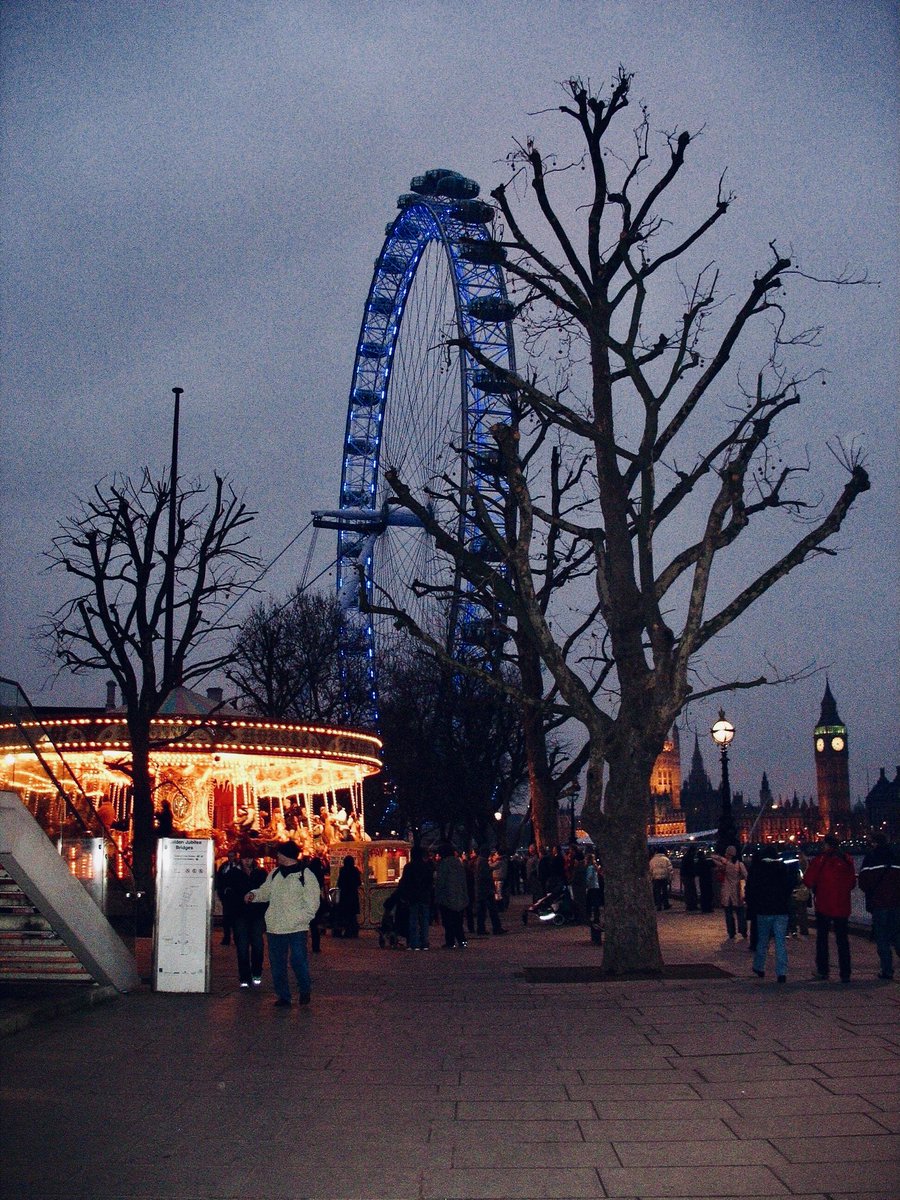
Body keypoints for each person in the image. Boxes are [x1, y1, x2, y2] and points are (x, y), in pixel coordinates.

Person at [245, 841, 321, 1008]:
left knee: (298, 960)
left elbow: (312, 902)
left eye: (279, 853)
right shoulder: (275, 873)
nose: (276, 856)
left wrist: (303, 918)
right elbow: (266, 891)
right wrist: (254, 894)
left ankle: (304, 988)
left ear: (286, 855)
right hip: (275, 927)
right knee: (277, 963)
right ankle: (283, 996)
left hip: (296, 927)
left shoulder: (306, 875)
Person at [803, 833, 857, 982]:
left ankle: (823, 970)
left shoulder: (820, 859)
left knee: (822, 939)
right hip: (842, 905)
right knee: (842, 940)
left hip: (824, 904)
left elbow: (808, 880)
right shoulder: (847, 859)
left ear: (827, 845)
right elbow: (852, 883)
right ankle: (845, 973)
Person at [745, 845, 794, 983]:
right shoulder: (782, 868)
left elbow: (751, 889)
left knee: (763, 940)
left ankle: (759, 966)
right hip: (781, 910)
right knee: (780, 942)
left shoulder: (757, 869)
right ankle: (781, 972)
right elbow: (789, 886)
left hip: (763, 909)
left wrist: (752, 904)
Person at [858, 832, 900, 981]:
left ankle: (887, 970)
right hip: (896, 902)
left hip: (879, 903)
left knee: (882, 937)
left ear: (874, 843)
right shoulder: (895, 856)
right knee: (897, 934)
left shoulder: (870, 858)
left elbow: (862, 882)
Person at [227, 851, 268, 987]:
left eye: (250, 858)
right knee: (242, 946)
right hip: (240, 914)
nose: (247, 861)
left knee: (257, 945)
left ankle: (256, 972)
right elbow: (227, 890)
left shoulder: (261, 873)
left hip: (257, 914)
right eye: (245, 858)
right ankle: (244, 976)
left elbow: (266, 891)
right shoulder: (234, 873)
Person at [398, 846, 434, 950]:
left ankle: (414, 943)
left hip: (413, 896)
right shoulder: (426, 866)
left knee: (413, 919)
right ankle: (424, 942)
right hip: (424, 896)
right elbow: (430, 882)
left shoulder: (409, 867)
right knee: (424, 920)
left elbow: (405, 881)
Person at [434, 844, 468, 949]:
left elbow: (441, 882)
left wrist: (437, 896)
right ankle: (462, 940)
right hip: (460, 896)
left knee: (448, 921)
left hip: (447, 897)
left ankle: (450, 941)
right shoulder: (458, 863)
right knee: (458, 921)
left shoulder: (443, 865)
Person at [711, 846, 748, 939]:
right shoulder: (740, 864)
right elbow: (746, 876)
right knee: (740, 913)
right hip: (738, 891)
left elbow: (714, 858)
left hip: (727, 892)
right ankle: (743, 930)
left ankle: (731, 932)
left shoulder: (726, 865)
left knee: (728, 913)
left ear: (729, 854)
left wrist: (716, 856)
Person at [475, 845, 505, 935]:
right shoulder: (482, 862)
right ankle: (495, 928)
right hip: (485, 890)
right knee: (491, 910)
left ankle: (482, 928)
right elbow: (485, 877)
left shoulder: (480, 861)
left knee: (483, 910)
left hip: (482, 890)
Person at [215, 850, 241, 946]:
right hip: (227, 896)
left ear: (236, 856)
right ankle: (226, 938)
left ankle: (237, 938)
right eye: (229, 856)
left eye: (232, 856)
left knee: (236, 918)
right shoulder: (224, 866)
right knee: (226, 918)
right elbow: (220, 880)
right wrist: (221, 893)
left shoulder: (240, 866)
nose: (231, 858)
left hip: (237, 896)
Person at [335, 854, 363, 938]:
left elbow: (339, 883)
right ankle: (353, 931)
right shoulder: (355, 870)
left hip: (345, 895)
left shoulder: (343, 870)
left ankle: (347, 931)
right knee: (352, 915)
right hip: (353, 895)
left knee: (346, 914)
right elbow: (359, 882)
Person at [680, 844, 699, 912]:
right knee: (690, 890)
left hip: (685, 876)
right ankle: (691, 905)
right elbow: (691, 867)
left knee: (688, 891)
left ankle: (690, 905)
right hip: (688, 876)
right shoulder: (690, 857)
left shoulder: (686, 856)